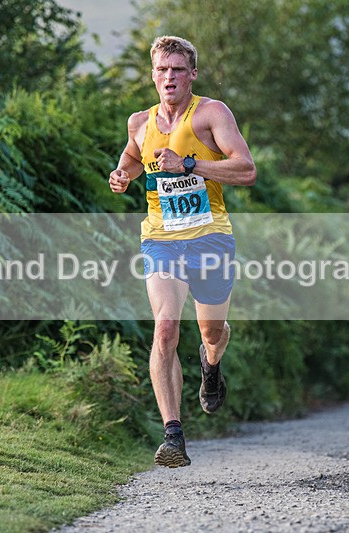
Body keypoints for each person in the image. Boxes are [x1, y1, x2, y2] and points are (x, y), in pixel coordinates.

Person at [109, 36, 256, 467]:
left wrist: (190, 164)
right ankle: (173, 435)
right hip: (161, 238)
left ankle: (210, 366)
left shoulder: (212, 113)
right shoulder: (140, 121)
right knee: (165, 328)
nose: (169, 77)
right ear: (153, 74)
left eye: (177, 69)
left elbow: (246, 170)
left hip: (210, 236)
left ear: (192, 74)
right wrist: (122, 176)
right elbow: (134, 159)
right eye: (162, 70)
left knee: (212, 332)